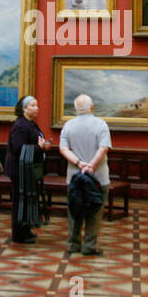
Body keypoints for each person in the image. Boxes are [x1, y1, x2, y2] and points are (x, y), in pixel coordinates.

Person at [58, 93, 112, 257]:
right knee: (95, 213)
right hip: (98, 177)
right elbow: (103, 148)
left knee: (74, 210)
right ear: (92, 107)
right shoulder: (101, 124)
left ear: (75, 109)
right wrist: (91, 166)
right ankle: (89, 245)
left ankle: (73, 244)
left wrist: (79, 163)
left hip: (75, 177)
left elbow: (63, 149)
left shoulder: (68, 125)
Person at [5, 96, 50, 244]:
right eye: (32, 105)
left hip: (28, 169)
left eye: (37, 105)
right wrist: (39, 148)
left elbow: (35, 142)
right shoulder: (20, 126)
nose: (36, 108)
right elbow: (19, 148)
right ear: (24, 108)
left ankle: (26, 229)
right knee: (20, 201)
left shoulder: (30, 124)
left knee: (28, 199)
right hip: (19, 170)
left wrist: (44, 145)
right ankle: (19, 235)